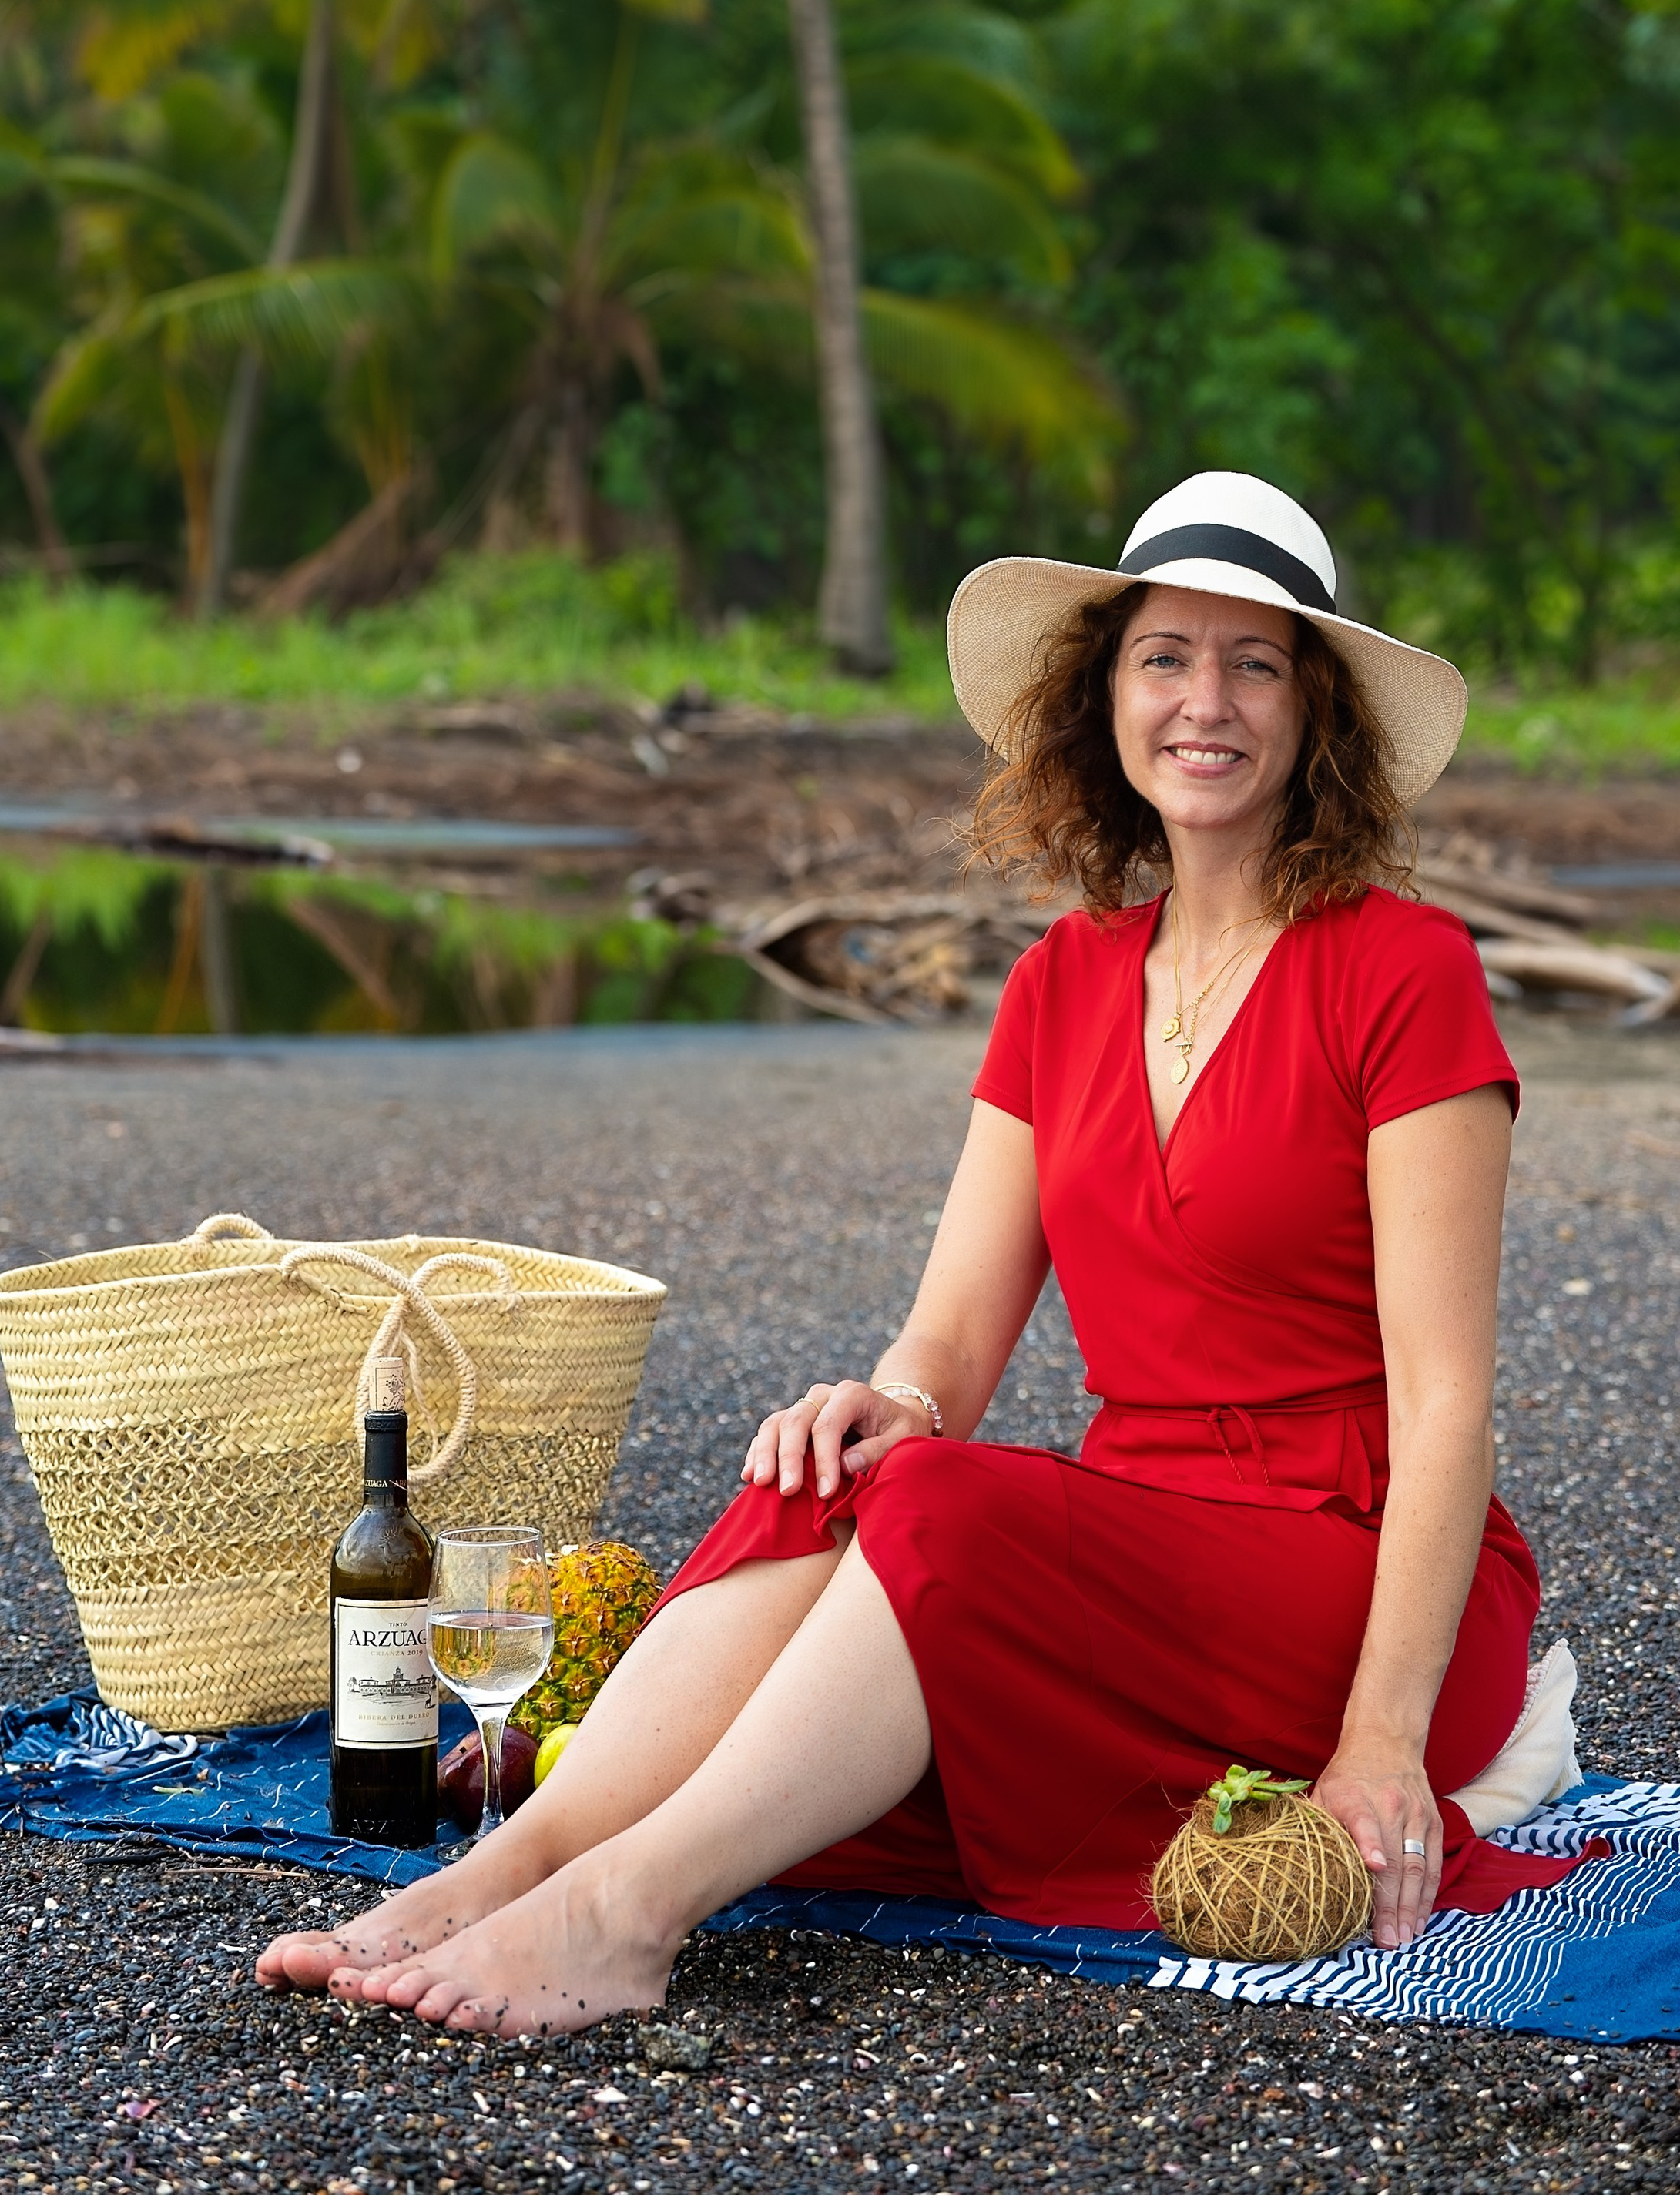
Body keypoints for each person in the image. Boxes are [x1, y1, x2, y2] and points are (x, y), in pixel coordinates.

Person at [259, 468, 1571, 2040]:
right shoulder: (1057, 990)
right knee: (837, 1466)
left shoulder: (1404, 973)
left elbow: (1444, 1409)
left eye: (1253, 662)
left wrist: (1374, 1743)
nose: (1202, 702)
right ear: (1104, 698)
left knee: (944, 1509)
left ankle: (624, 1916)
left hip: (1348, 1571)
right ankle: (510, 1866)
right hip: (1136, 1539)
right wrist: (880, 1406)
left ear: (1314, 714)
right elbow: (945, 1349)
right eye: (1163, 657)